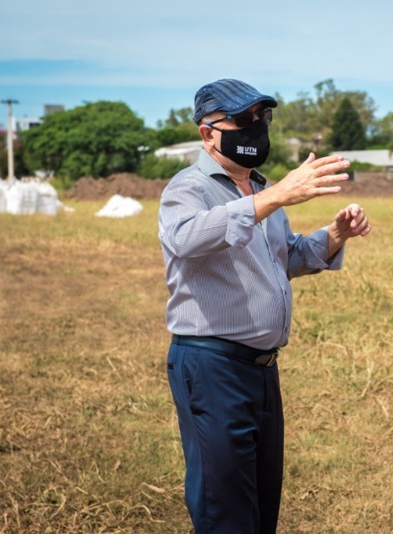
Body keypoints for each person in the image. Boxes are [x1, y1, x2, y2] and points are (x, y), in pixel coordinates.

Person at [158, 78, 371, 532]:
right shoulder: (188, 188)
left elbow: (285, 256)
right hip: (212, 366)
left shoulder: (259, 188)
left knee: (259, 503)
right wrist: (274, 196)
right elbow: (186, 239)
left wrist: (335, 234)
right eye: (241, 119)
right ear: (207, 133)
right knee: (225, 510)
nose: (254, 127)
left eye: (261, 117)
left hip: (261, 371)